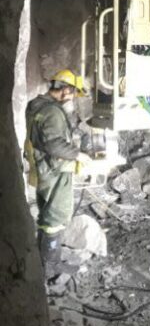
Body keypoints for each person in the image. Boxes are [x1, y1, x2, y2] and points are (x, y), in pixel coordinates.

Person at [25, 69, 91, 278]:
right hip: (55, 171)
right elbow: (53, 144)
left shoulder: (36, 105)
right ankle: (50, 267)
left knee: (46, 215)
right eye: (73, 93)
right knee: (56, 217)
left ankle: (41, 262)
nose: (72, 98)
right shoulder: (52, 111)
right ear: (66, 90)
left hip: (43, 168)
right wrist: (79, 155)